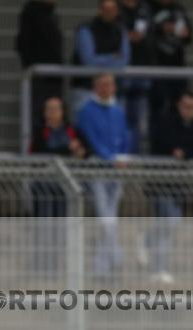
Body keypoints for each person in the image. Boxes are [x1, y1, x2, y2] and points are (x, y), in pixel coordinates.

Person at [76, 73, 130, 278]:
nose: (107, 89)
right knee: (105, 216)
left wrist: (123, 156)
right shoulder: (87, 111)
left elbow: (125, 135)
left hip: (116, 170)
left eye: (110, 84)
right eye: (103, 85)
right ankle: (116, 257)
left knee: (110, 216)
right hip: (98, 169)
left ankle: (103, 266)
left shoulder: (118, 110)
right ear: (95, 87)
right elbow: (91, 138)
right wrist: (109, 158)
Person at [146, 89, 193, 283]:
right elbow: (160, 143)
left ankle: (146, 241)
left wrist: (184, 153)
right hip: (160, 182)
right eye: (186, 107)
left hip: (178, 184)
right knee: (167, 222)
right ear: (179, 105)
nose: (189, 111)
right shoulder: (166, 122)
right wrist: (174, 150)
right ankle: (159, 267)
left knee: (172, 223)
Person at [29, 96, 86, 274]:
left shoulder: (72, 131)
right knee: (44, 224)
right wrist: (67, 149)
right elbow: (38, 154)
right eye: (49, 109)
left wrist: (78, 150)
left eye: (56, 109)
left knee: (61, 227)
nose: (53, 113)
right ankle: (42, 265)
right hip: (43, 187)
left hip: (64, 189)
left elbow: (84, 151)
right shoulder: (40, 132)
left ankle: (56, 265)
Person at [70, 0, 130, 115]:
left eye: (112, 9)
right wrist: (112, 57)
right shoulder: (86, 29)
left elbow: (124, 61)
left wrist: (100, 60)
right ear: (99, 10)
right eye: (105, 8)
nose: (109, 12)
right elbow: (88, 61)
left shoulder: (120, 30)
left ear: (117, 11)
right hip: (85, 88)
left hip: (111, 92)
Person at [15, 0, 64, 127]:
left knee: (56, 119)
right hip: (39, 78)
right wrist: (33, 68)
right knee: (38, 118)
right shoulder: (31, 14)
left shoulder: (51, 14)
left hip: (53, 77)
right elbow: (24, 45)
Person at [147, 0, 192, 121]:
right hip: (156, 68)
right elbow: (144, 34)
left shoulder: (179, 9)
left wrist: (185, 33)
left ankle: (176, 138)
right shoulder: (148, 7)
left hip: (178, 67)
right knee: (157, 109)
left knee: (177, 108)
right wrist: (162, 28)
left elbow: (189, 37)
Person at [119, 0, 153, 153]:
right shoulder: (115, 10)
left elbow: (153, 36)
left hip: (142, 71)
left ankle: (136, 161)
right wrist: (127, 37)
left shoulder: (145, 10)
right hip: (121, 74)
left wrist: (142, 37)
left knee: (140, 125)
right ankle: (120, 157)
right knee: (120, 122)